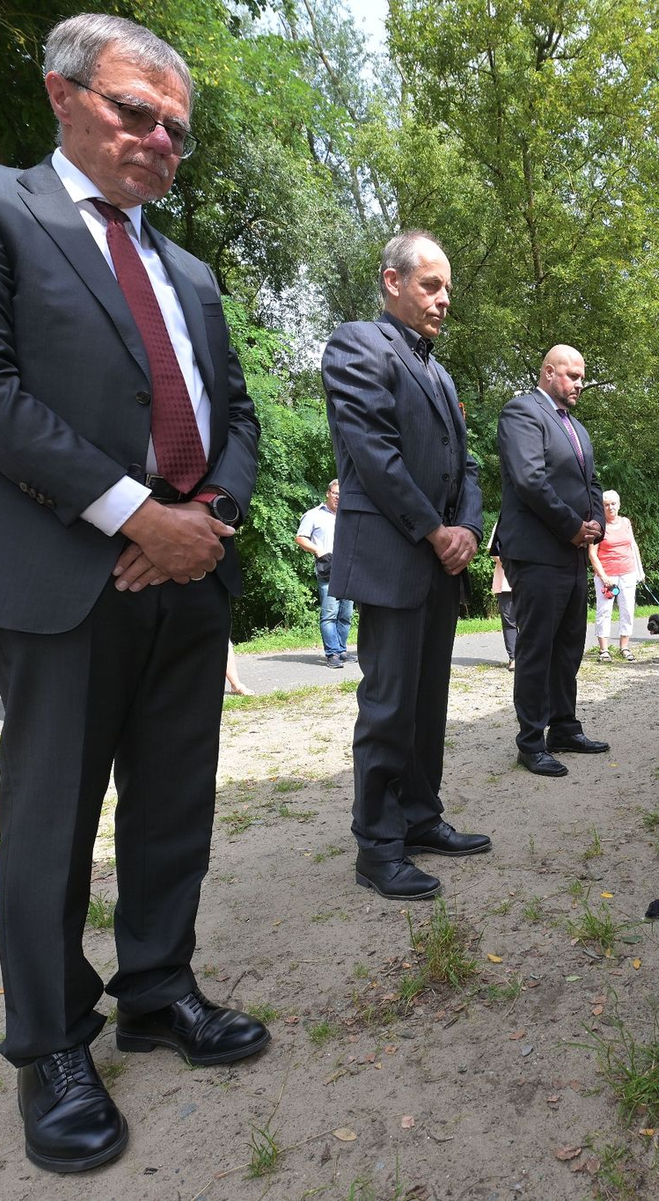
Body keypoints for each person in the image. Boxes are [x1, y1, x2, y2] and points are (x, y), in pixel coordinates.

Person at [0, 14, 265, 1172]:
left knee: (173, 806)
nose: (158, 139)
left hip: (187, 577)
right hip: (67, 574)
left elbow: (239, 417)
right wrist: (131, 511)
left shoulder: (190, 270)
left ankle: (159, 988)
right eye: (134, 111)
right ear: (61, 94)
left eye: (176, 128)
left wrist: (206, 522)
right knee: (46, 821)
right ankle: (52, 1044)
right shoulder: (10, 214)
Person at [322, 229, 492, 903]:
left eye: (448, 287)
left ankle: (421, 817)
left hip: (441, 560)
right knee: (389, 704)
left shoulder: (441, 372)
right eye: (431, 284)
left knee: (427, 701)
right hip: (396, 553)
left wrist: (470, 529)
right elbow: (373, 454)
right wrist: (434, 529)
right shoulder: (358, 345)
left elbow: (468, 465)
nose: (444, 298)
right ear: (391, 281)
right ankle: (378, 843)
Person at [495, 345, 609, 777]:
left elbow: (591, 482)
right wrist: (571, 526)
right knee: (537, 648)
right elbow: (530, 479)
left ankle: (564, 726)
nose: (579, 383)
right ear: (548, 373)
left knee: (568, 646)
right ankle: (531, 741)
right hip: (538, 551)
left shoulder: (577, 427)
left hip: (573, 551)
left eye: (582, 376)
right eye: (572, 375)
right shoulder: (521, 413)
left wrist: (595, 522)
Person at [296, 478, 355, 668]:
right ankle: (332, 654)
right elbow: (300, 538)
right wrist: (318, 551)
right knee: (330, 613)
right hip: (328, 567)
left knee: (346, 613)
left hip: (348, 568)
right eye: (336, 494)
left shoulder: (347, 515)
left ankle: (341, 649)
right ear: (328, 493)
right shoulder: (313, 515)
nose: (339, 498)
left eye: (342, 495)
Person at [588, 490, 643, 662]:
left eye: (613, 504)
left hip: (627, 573)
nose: (610, 507)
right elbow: (592, 554)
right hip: (607, 577)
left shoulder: (626, 522)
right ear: (602, 506)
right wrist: (604, 577)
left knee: (627, 610)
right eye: (606, 504)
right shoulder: (598, 525)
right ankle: (604, 650)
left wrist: (639, 570)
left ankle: (624, 647)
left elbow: (633, 545)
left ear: (619, 505)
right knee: (604, 611)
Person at [486, 523, 517, 670]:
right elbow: (493, 551)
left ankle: (529, 657)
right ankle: (514, 658)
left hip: (529, 582)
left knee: (530, 622)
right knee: (509, 621)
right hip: (505, 582)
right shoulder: (502, 522)